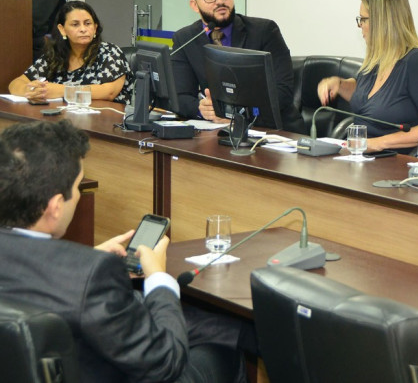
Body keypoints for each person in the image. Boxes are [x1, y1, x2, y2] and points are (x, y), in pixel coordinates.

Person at [0, 120, 250, 382]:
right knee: (225, 354)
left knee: (215, 328)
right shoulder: (91, 275)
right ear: (55, 208)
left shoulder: (82, 269)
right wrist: (158, 279)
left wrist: (87, 258)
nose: (77, 195)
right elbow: (165, 364)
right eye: (76, 188)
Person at [317, 0, 418, 154]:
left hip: (397, 165)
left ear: (382, 23)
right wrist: (339, 84)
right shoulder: (376, 61)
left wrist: (377, 143)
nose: (360, 26)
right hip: (361, 159)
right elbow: (371, 101)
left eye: (363, 19)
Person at [171, 0, 306, 133]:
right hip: (218, 132)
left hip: (273, 132)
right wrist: (203, 109)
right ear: (194, 5)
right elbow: (179, 96)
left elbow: (282, 91)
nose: (220, 1)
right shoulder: (185, 38)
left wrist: (233, 114)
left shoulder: (264, 31)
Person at [8, 0, 134, 104]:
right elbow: (15, 84)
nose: (83, 29)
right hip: (63, 119)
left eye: (88, 23)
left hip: (108, 122)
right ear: (62, 29)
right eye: (75, 25)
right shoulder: (55, 55)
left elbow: (108, 92)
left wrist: (60, 90)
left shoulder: (110, 52)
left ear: (95, 28)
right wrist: (31, 90)